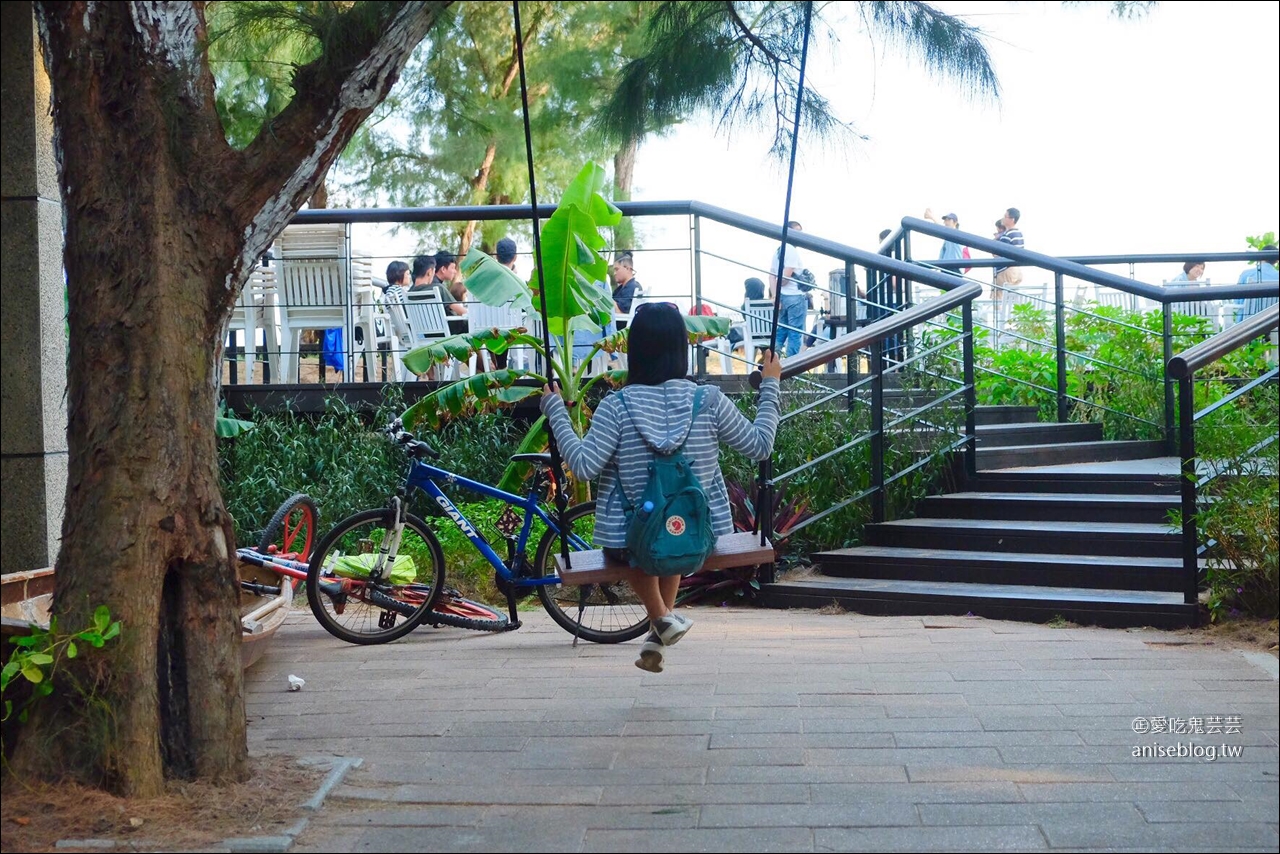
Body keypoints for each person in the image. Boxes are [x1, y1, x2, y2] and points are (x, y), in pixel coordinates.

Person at [540, 303, 782, 673]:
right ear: (680, 349)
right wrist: (770, 385)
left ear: (635, 351)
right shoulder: (709, 400)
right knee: (671, 529)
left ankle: (663, 621)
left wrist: (555, 410)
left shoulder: (616, 407)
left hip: (630, 542)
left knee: (639, 539)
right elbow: (760, 444)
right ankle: (659, 631)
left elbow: (584, 467)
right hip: (696, 537)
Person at [768, 221, 807, 358]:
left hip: (782, 297)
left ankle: (773, 360)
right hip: (795, 296)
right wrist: (782, 282)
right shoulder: (791, 250)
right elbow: (787, 275)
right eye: (797, 232)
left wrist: (775, 296)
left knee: (781, 331)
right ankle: (792, 366)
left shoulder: (778, 250)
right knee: (795, 333)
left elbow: (771, 276)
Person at [992, 207, 1025, 306]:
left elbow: (999, 253)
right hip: (1016, 270)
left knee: (999, 301)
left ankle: (1001, 321)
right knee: (1011, 302)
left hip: (1005, 271)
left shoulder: (1008, 235)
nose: (1003, 218)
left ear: (1012, 219)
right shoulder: (1018, 233)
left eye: (1005, 216)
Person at [1237, 244, 1279, 319]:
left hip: (1247, 324)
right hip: (1273, 322)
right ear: (1276, 261)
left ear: (1260, 257)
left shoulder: (1246, 274)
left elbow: (1237, 302)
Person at [611, 252, 642, 324]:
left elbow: (620, 312)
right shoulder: (621, 288)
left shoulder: (632, 287)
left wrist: (605, 295)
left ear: (627, 268)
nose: (614, 273)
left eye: (617, 269)